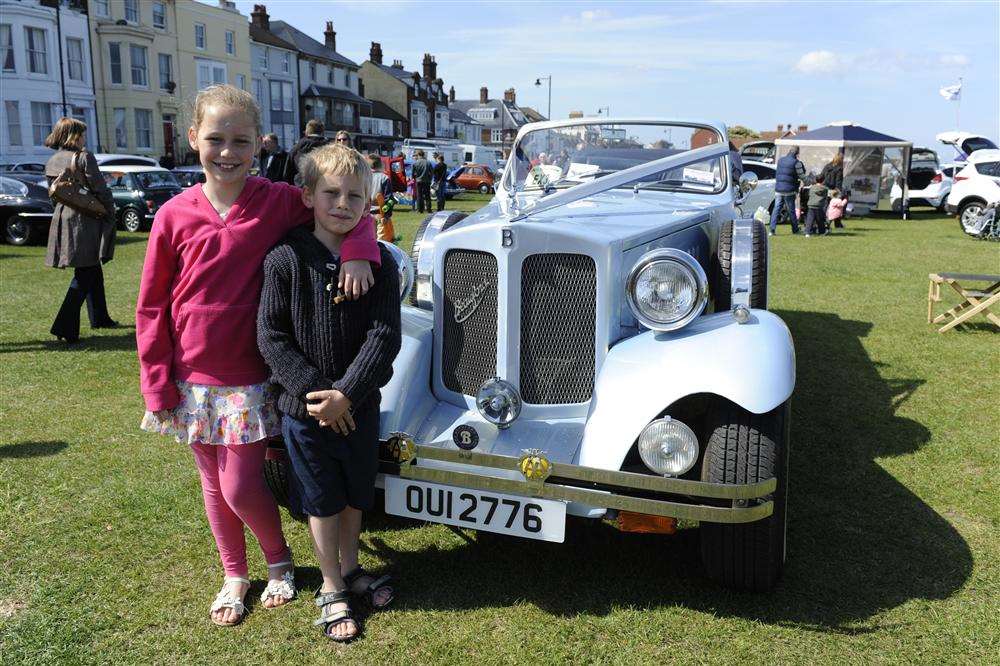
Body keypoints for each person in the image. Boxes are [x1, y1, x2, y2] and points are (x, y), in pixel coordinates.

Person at [135, 85, 381, 628]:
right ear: (193, 137)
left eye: (240, 141)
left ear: (259, 143)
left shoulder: (276, 200)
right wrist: (157, 385)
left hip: (251, 376)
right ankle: (234, 573)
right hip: (192, 377)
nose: (227, 152)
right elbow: (151, 306)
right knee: (212, 485)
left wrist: (362, 251)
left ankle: (278, 560)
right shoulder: (173, 215)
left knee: (240, 484)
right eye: (216, 139)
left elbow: (342, 202)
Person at [258, 143, 401, 643]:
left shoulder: (381, 263)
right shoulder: (285, 258)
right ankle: (331, 582)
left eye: (354, 196)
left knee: (356, 492)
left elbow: (384, 335)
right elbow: (271, 336)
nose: (342, 204)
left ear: (368, 204)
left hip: (359, 406)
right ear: (307, 195)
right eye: (331, 193)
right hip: (306, 412)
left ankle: (353, 564)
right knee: (321, 498)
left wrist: (349, 393)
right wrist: (320, 395)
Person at [43, 117, 118, 343]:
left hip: (63, 217)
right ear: (74, 136)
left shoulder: (53, 160)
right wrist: (110, 211)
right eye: (82, 134)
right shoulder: (84, 157)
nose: (85, 138)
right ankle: (64, 326)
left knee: (91, 268)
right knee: (85, 272)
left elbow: (54, 193)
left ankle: (99, 317)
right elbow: (100, 188)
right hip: (85, 219)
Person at [769, 146, 806, 236]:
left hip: (778, 189)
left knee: (776, 209)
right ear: (797, 153)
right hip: (789, 189)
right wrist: (809, 181)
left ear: (789, 151)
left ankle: (772, 230)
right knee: (791, 210)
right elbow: (802, 176)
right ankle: (795, 229)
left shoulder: (781, 160)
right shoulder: (796, 162)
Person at [285, 119, 330, 186]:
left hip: (300, 187)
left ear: (306, 132)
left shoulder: (296, 148)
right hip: (323, 186)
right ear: (322, 132)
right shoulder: (330, 148)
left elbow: (287, 173)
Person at [369, 153, 395, 242]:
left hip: (367, 215)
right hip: (381, 214)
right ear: (380, 164)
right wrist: (387, 215)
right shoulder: (384, 178)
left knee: (370, 240)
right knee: (381, 242)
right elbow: (389, 199)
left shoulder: (365, 178)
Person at [411, 149, 432, 213]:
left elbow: (413, 173)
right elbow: (431, 172)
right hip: (427, 181)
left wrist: (414, 177)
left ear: (418, 155)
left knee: (419, 195)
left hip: (419, 180)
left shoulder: (415, 163)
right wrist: (430, 178)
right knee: (427, 195)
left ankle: (420, 210)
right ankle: (429, 209)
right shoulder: (428, 162)